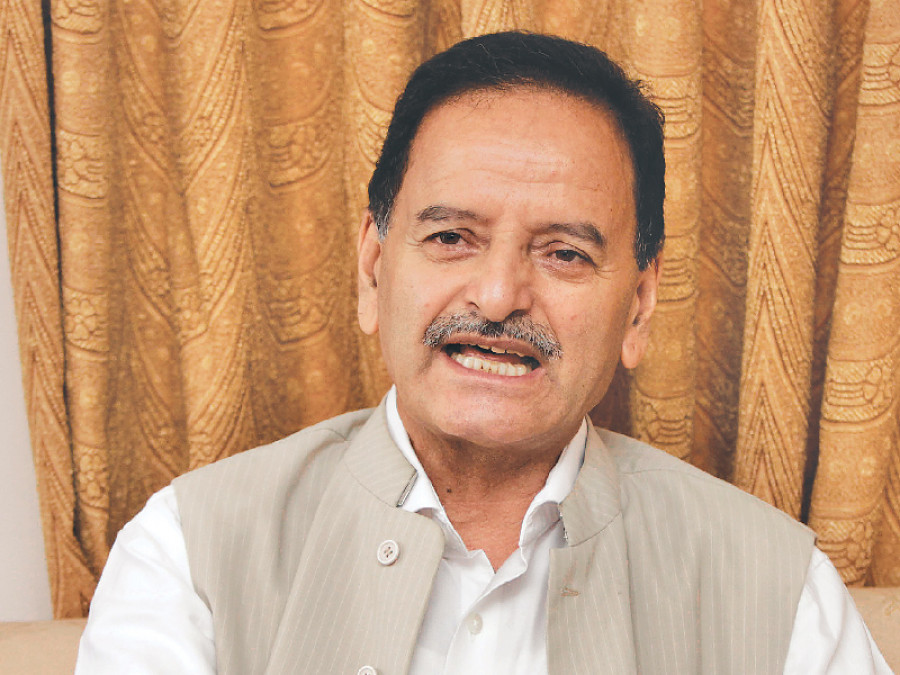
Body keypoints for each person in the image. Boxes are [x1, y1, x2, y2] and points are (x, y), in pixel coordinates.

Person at [76, 32, 890, 674]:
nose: (499, 296)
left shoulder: (778, 587)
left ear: (639, 306)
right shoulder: (188, 553)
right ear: (373, 269)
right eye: (451, 237)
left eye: (564, 253)